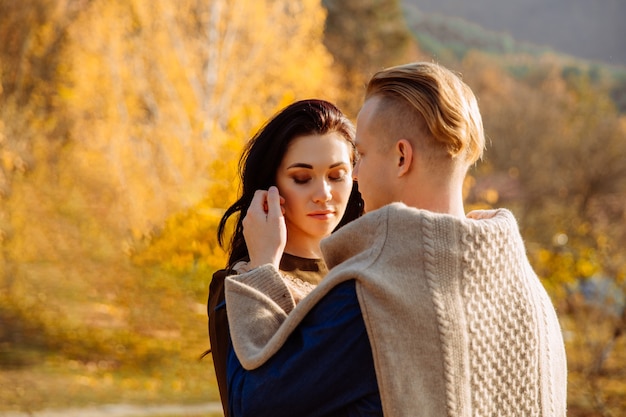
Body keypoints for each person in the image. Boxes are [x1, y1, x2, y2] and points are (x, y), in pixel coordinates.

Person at [223, 62, 568, 416]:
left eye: (363, 156)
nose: (355, 176)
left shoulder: (372, 297)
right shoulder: (532, 293)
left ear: (402, 157)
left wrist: (260, 269)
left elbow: (254, 404)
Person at [206, 99, 364, 416]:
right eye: (302, 178)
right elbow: (250, 404)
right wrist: (264, 268)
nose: (324, 193)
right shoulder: (237, 286)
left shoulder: (365, 269)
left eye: (337, 175)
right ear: (271, 186)